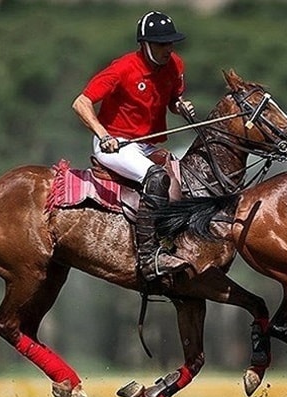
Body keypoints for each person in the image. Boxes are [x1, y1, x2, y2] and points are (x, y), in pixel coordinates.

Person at [72, 10, 196, 282]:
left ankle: (174, 243)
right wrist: (103, 134)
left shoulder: (176, 65)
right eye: (161, 44)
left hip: (147, 145)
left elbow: (173, 100)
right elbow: (81, 103)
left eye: (170, 43)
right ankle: (149, 257)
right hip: (116, 145)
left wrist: (180, 106)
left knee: (187, 179)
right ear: (145, 44)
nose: (168, 49)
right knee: (156, 178)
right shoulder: (122, 68)